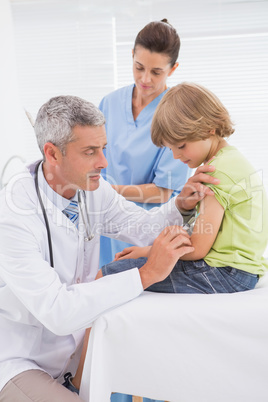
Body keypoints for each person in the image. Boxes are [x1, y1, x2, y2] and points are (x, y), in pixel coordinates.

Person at [0, 94, 218, 402]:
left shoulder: (92, 188)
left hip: (74, 354)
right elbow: (58, 311)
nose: (104, 162)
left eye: (103, 148)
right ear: (52, 154)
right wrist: (145, 275)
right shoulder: (13, 215)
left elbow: (140, 228)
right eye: (90, 152)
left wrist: (179, 206)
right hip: (21, 360)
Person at [99, 82, 268, 294]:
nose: (176, 156)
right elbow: (203, 230)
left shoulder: (216, 172)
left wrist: (146, 252)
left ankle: (85, 329)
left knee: (109, 274)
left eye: (181, 146)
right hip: (241, 272)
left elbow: (197, 248)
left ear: (210, 128)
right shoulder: (231, 161)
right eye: (171, 149)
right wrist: (186, 208)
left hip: (224, 274)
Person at [99, 19, 190, 269]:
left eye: (156, 71)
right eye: (139, 67)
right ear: (131, 56)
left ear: (173, 69)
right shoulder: (109, 103)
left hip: (146, 228)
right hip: (102, 225)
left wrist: (105, 191)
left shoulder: (175, 114)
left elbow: (165, 191)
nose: (145, 78)